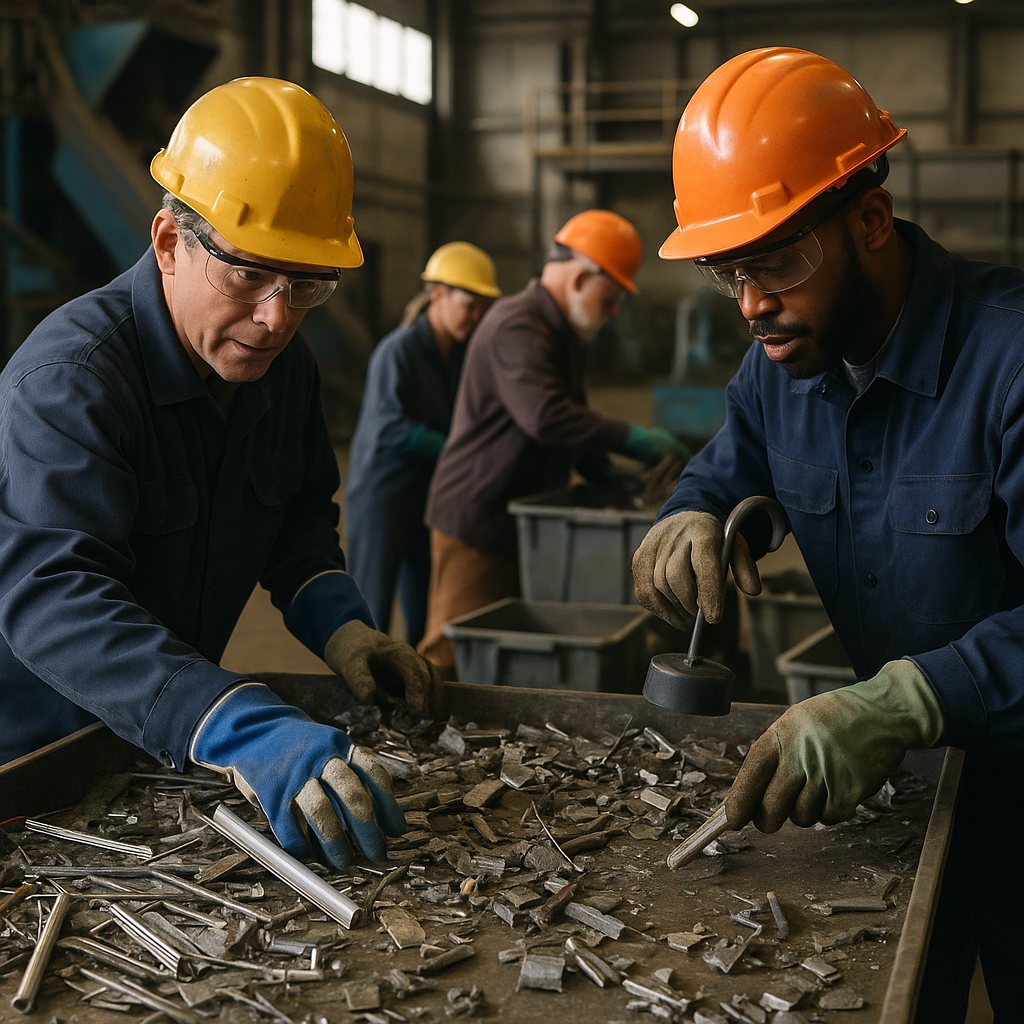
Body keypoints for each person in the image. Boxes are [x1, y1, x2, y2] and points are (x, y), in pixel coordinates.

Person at [631, 47, 1024, 1022]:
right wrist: (693, 512)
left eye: (778, 262)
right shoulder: (781, 363)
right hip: (907, 801)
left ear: (871, 219)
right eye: (731, 273)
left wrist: (903, 699)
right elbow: (730, 461)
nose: (752, 303)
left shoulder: (1009, 360)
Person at [0, 77, 445, 872]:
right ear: (170, 243)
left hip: (158, 746)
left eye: (307, 284)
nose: (277, 318)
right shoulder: (72, 381)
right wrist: (237, 722)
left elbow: (297, 520)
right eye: (248, 276)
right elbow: (52, 597)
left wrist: (342, 626)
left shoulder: (282, 370)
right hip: (33, 756)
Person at [420, 209, 691, 675]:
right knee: (452, 649)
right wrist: (633, 437)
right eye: (610, 297)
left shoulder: (559, 335)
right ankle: (407, 732)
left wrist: (603, 470)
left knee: (502, 646)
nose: (612, 312)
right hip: (477, 515)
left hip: (517, 515)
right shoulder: (517, 324)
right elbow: (546, 417)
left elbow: (569, 423)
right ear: (581, 278)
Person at [345, 242, 500, 648]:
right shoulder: (398, 352)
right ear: (438, 296)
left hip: (427, 496)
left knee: (425, 611)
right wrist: (454, 448)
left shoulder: (458, 356)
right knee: (369, 609)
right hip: (383, 496)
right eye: (470, 304)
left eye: (483, 307)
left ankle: (410, 694)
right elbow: (389, 427)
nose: (476, 316)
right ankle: (362, 702)